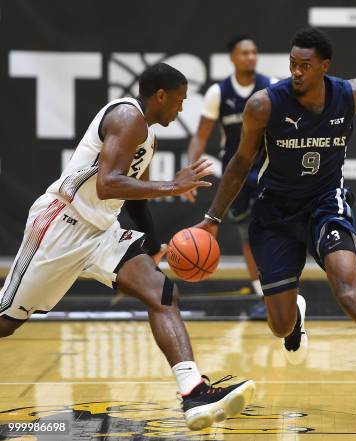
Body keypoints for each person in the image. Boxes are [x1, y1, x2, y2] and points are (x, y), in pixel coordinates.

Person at [195, 27, 356, 428]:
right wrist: (212, 219)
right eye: (292, 64)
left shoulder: (349, 93)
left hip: (327, 205)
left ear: (325, 66)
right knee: (280, 325)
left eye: (305, 66)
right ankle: (295, 323)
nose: (296, 72)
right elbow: (240, 163)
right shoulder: (264, 105)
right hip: (274, 214)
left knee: (348, 290)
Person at [0, 63, 255, 430]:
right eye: (179, 101)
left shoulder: (146, 136)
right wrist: (173, 186)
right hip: (62, 225)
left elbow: (133, 200)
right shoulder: (126, 117)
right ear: (161, 96)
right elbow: (108, 184)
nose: (181, 110)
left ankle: (193, 391)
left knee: (162, 294)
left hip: (102, 231)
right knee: (7, 321)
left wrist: (151, 246)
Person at [187, 36, 273, 316]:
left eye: (254, 52)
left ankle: (279, 290)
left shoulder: (269, 86)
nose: (250, 57)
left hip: (266, 170)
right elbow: (200, 136)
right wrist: (190, 171)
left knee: (270, 232)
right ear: (233, 58)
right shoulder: (219, 92)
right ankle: (263, 297)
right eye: (244, 52)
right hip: (235, 173)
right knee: (247, 235)